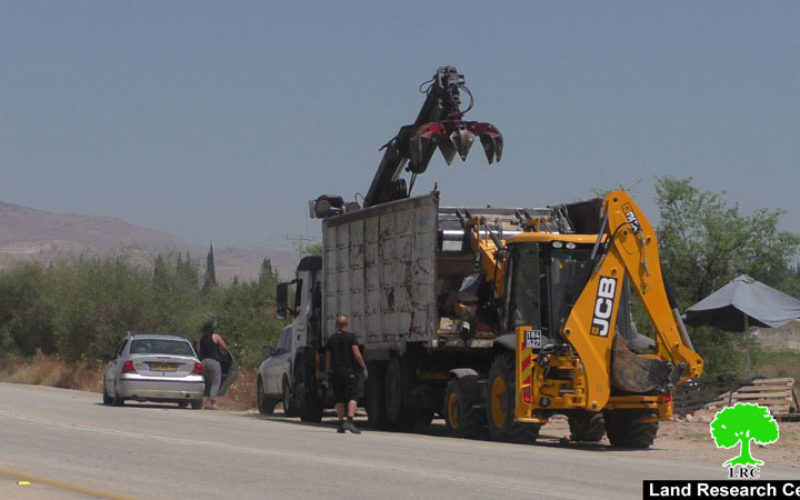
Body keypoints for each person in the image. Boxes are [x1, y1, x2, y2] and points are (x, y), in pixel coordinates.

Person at [325, 315, 367, 434]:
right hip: (349, 372)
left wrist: (328, 371)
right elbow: (356, 353)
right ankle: (349, 421)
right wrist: (363, 367)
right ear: (346, 325)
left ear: (336, 325)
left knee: (339, 398)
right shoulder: (351, 337)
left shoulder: (331, 339)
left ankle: (340, 423)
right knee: (353, 396)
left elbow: (328, 358)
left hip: (336, 372)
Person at [196, 321, 229, 410]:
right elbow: (224, 347)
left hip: (203, 362)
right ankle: (212, 402)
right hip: (214, 362)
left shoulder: (201, 338)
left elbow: (198, 351)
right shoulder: (215, 336)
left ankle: (202, 401)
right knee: (216, 382)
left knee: (207, 382)